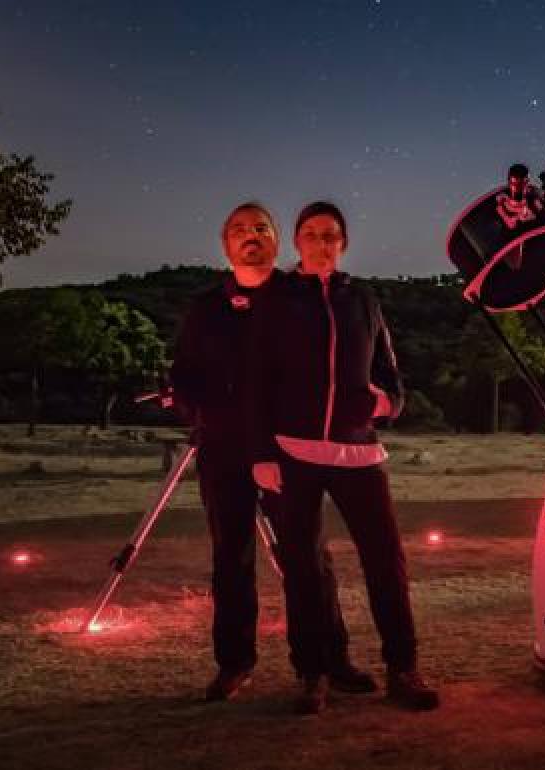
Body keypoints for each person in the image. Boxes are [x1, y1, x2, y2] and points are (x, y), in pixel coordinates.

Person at [169, 202, 375, 702]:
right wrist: (200, 418)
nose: (250, 236)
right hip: (224, 450)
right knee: (231, 557)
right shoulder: (206, 308)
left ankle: (330, 660)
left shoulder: (299, 300)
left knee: (308, 558)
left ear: (278, 240)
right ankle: (235, 662)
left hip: (288, 451)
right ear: (225, 244)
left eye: (260, 227)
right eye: (239, 230)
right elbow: (184, 374)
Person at [248, 201, 440, 714]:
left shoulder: (365, 300)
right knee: (303, 568)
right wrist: (261, 454)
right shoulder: (276, 299)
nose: (321, 243)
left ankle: (403, 668)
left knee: (386, 562)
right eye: (311, 234)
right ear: (297, 242)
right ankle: (312, 674)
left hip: (358, 451)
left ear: (344, 242)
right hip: (294, 451)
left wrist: (386, 401)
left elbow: (392, 375)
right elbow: (257, 382)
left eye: (331, 235)